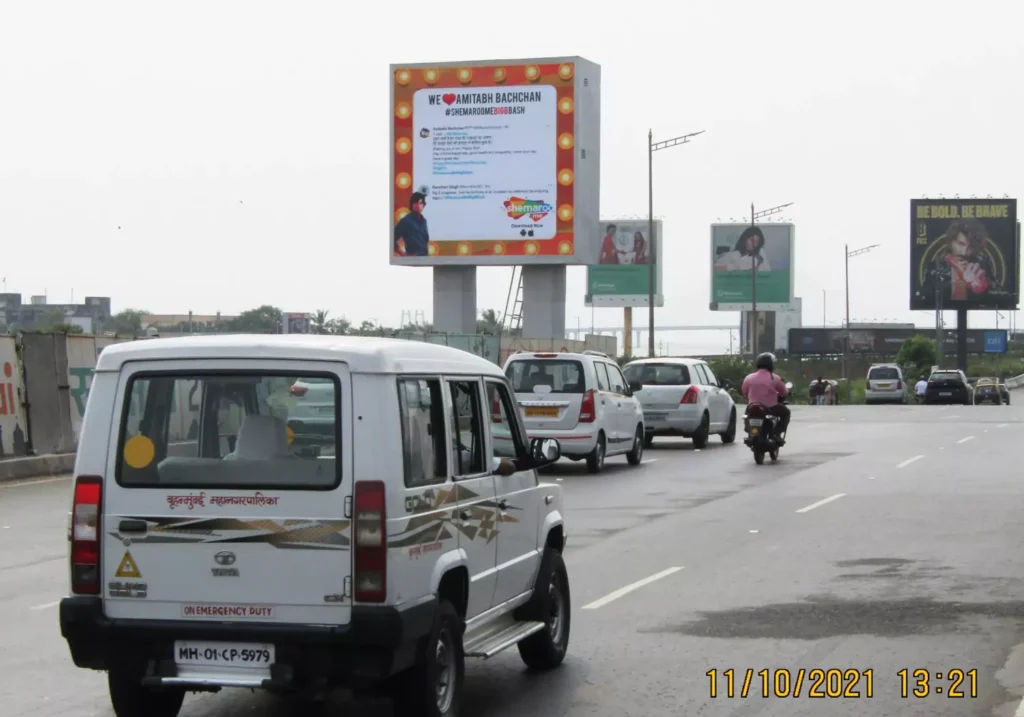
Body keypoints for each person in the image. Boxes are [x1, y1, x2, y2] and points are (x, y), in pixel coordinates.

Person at [741, 352, 790, 444]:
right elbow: (783, 392)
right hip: (770, 407)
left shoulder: (749, 377)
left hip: (752, 405)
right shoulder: (775, 378)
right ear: (771, 364)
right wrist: (787, 393)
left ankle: (749, 431)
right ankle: (777, 434)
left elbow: (744, 391)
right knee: (786, 412)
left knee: (747, 414)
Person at [394, 191, 430, 256]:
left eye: (420, 203)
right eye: (415, 202)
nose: (418, 205)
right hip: (413, 260)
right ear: (412, 204)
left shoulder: (424, 221)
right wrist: (403, 254)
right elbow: (391, 238)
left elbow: (425, 241)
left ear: (423, 205)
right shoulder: (406, 221)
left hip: (425, 259)